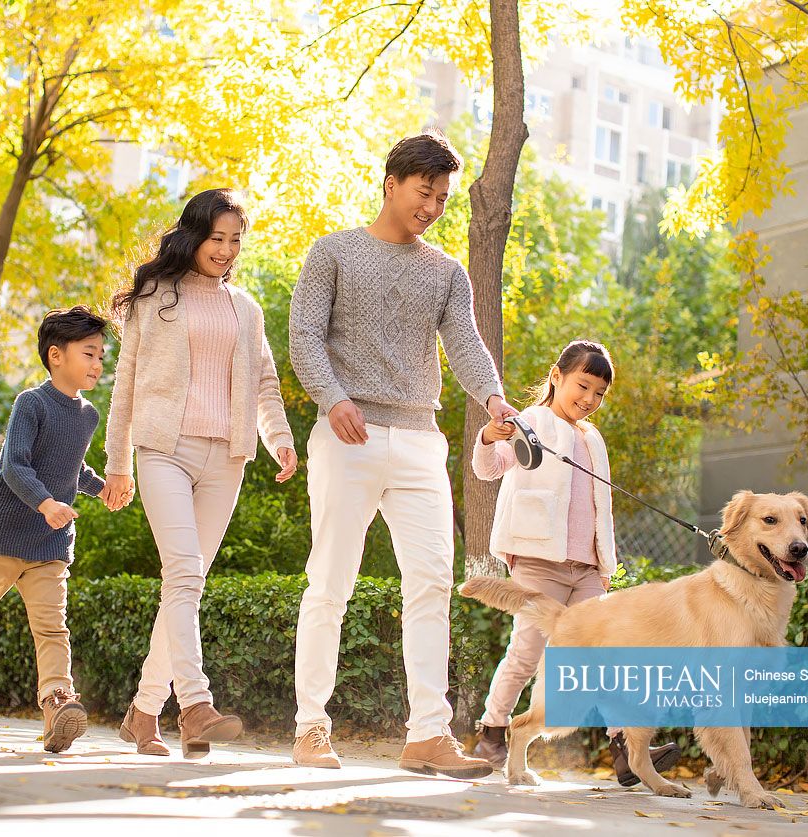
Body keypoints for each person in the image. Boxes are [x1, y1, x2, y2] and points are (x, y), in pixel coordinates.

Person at [288, 131, 515, 779]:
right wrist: (332, 398)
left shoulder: (444, 271)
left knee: (429, 585)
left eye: (442, 197)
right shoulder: (332, 253)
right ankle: (310, 726)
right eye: (425, 192)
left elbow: (465, 344)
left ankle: (427, 735)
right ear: (391, 183)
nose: (433, 207)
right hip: (349, 434)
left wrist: (494, 400)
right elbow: (303, 336)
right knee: (330, 583)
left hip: (419, 440)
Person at [103, 188, 297, 759]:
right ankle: (194, 704)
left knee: (184, 586)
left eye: (236, 240)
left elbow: (264, 382)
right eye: (218, 237)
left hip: (226, 459)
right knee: (184, 573)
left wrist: (280, 439)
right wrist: (117, 464)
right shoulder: (155, 297)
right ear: (194, 235)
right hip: (163, 449)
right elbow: (126, 385)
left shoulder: (247, 309)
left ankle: (142, 713)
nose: (228, 249)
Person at [468, 339, 680, 784]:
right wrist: (489, 436)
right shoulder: (531, 422)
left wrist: (605, 564)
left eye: (599, 394)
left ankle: (625, 749)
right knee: (526, 652)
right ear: (556, 376)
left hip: (586, 569)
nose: (589, 400)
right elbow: (489, 467)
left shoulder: (592, 438)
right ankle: (493, 730)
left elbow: (600, 505)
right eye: (582, 386)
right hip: (539, 560)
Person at [0, 305, 111, 753]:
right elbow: (14, 464)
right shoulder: (31, 403)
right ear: (56, 355)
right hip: (2, 533)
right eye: (89, 354)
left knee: (52, 629)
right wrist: (46, 503)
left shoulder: (88, 416)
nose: (98, 364)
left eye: (102, 355)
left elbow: (71, 467)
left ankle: (56, 705)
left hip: (49, 542)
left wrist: (99, 488)